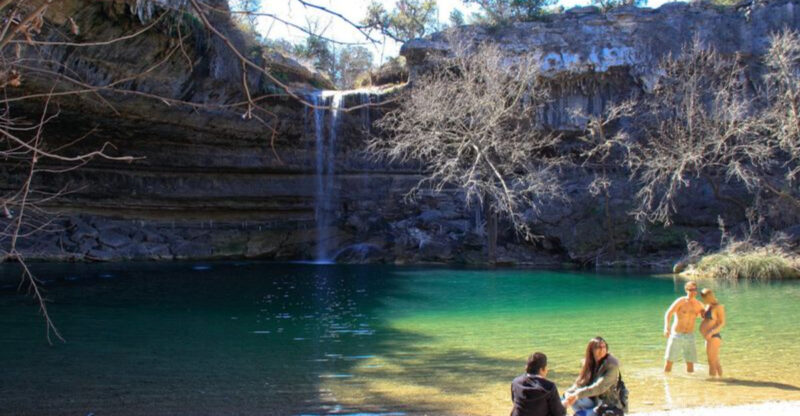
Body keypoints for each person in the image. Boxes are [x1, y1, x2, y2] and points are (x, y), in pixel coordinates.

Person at [565, 337, 626, 416]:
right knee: (568, 395)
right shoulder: (589, 364)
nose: (602, 349)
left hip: (609, 406)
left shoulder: (612, 365)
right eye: (598, 347)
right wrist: (567, 396)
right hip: (595, 401)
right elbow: (579, 384)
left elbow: (598, 388)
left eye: (604, 347)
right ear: (591, 350)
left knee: (578, 413)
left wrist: (577, 394)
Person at [663, 280, 704, 373]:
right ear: (686, 290)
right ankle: (666, 382)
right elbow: (668, 313)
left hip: (690, 335)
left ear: (696, 291)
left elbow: (706, 317)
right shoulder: (681, 301)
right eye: (690, 289)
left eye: (694, 289)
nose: (692, 292)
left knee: (690, 363)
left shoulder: (699, 305)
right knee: (669, 360)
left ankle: (690, 384)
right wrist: (666, 327)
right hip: (676, 334)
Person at [510, 352, 569, 416]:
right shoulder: (549, 387)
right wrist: (565, 405)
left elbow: (515, 401)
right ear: (541, 369)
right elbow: (558, 413)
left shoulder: (516, 382)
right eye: (546, 367)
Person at [700, 288, 726, 378]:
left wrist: (711, 332)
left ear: (711, 295)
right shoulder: (708, 306)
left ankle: (713, 382)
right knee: (715, 360)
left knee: (711, 361)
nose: (703, 299)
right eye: (703, 296)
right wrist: (703, 313)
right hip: (708, 337)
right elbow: (707, 320)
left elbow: (722, 323)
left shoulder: (719, 307)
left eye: (705, 296)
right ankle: (721, 379)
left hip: (713, 336)